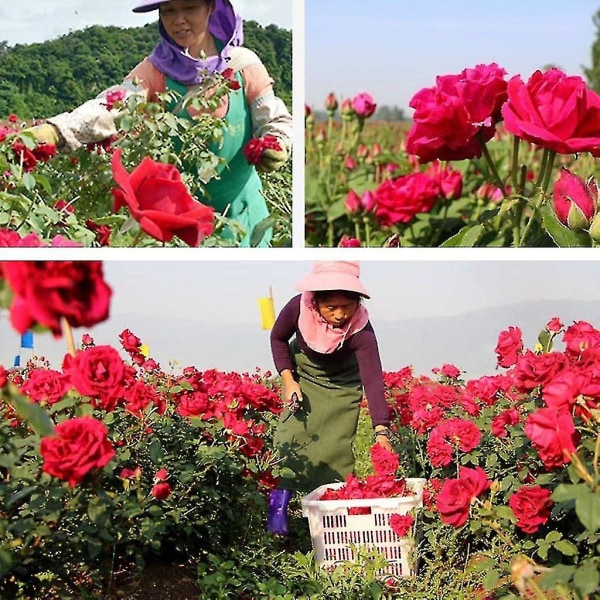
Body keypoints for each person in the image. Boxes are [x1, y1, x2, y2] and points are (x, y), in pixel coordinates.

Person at [27, 0, 292, 247]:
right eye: (168, 11)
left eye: (190, 8)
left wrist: (276, 143)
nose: (179, 20)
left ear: (211, 7)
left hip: (243, 211)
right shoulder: (155, 71)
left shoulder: (243, 64)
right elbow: (114, 106)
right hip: (181, 219)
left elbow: (273, 117)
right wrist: (58, 130)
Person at [268, 261, 393, 535]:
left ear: (357, 303)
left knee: (335, 451)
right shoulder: (297, 308)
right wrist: (289, 381)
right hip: (303, 375)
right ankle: (277, 517)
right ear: (316, 302)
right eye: (331, 307)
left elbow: (372, 379)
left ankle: (332, 523)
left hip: (342, 386)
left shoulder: (361, 330)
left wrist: (381, 431)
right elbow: (277, 338)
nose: (339, 315)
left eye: (346, 307)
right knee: (289, 437)